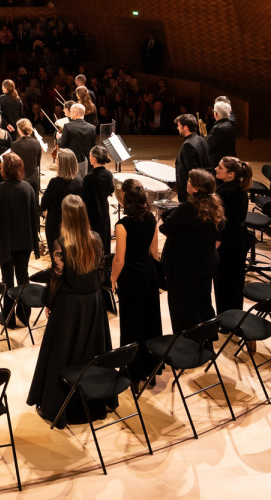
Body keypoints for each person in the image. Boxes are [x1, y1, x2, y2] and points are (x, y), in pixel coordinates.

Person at [28, 196, 111, 424]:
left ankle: (57, 405)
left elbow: (56, 278)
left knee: (60, 354)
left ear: (65, 216)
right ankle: (92, 403)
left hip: (69, 307)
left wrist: (49, 303)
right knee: (91, 352)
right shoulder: (96, 239)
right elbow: (101, 274)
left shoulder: (60, 244)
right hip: (93, 304)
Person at [161, 169, 224, 332]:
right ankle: (207, 338)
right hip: (206, 264)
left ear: (195, 188)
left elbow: (165, 228)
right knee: (203, 302)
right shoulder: (215, 206)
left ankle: (186, 342)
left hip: (185, 267)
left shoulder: (188, 209)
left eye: (189, 181)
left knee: (183, 308)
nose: (187, 182)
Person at [0, 150, 40, 327]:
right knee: (23, 277)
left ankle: (9, 318)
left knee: (7, 280)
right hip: (25, 241)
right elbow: (34, 216)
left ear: (4, 169)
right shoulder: (28, 188)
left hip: (6, 243)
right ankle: (24, 315)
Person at [109, 180, 162, 348]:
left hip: (131, 277)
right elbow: (154, 252)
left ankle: (134, 361)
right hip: (149, 273)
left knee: (131, 320)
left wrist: (112, 279)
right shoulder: (151, 218)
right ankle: (151, 358)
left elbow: (120, 259)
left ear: (124, 195)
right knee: (149, 317)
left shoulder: (122, 226)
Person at [213, 157, 255, 314]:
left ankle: (226, 318)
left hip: (228, 242)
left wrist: (217, 240)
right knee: (235, 282)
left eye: (220, 167)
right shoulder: (238, 187)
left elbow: (223, 221)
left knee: (223, 282)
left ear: (230, 174)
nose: (216, 169)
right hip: (238, 239)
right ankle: (234, 316)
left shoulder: (227, 192)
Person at [42, 148, 83, 254]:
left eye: (57, 159)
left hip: (56, 224)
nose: (55, 161)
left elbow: (43, 204)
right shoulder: (79, 181)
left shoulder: (55, 183)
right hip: (74, 222)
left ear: (62, 164)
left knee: (57, 254)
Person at [81, 145, 116, 255]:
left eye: (90, 155)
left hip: (91, 214)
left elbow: (84, 198)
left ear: (94, 159)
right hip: (104, 211)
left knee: (92, 243)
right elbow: (111, 190)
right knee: (104, 239)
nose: (89, 157)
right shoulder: (109, 175)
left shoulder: (88, 178)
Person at [174, 114, 211, 198]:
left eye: (179, 126)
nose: (177, 128)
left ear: (185, 127)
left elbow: (192, 172)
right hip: (203, 187)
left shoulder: (188, 145)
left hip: (191, 194)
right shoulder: (201, 140)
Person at [58, 101, 96, 166]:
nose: (70, 113)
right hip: (87, 163)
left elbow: (62, 146)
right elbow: (93, 147)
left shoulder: (68, 126)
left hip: (72, 163)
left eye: (71, 111)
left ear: (75, 113)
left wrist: (59, 138)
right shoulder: (92, 128)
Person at [8, 116, 45, 182]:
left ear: (19, 130)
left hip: (20, 179)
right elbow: (38, 163)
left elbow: (13, 164)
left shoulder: (15, 145)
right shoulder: (37, 143)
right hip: (34, 179)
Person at [207, 99, 238, 165]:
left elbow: (208, 146)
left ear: (216, 114)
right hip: (227, 158)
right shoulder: (230, 124)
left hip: (218, 161)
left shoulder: (218, 128)